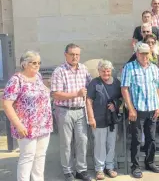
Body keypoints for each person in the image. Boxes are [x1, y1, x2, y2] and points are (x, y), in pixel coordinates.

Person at [2, 51, 53, 181]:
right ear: (24, 64)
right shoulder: (16, 80)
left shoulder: (39, 77)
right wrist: (18, 124)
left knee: (40, 156)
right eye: (33, 62)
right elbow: (7, 105)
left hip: (43, 125)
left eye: (39, 63)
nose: (37, 65)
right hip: (26, 126)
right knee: (27, 157)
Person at [121, 43, 159, 178]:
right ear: (137, 54)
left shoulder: (154, 68)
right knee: (137, 139)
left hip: (152, 109)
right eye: (142, 53)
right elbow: (124, 89)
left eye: (147, 53)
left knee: (151, 138)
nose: (145, 56)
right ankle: (135, 166)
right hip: (137, 110)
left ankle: (150, 162)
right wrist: (131, 109)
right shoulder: (129, 67)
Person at [51, 43, 92, 181]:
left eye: (77, 54)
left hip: (81, 110)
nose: (75, 57)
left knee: (82, 140)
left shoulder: (84, 69)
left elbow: (90, 88)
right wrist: (76, 94)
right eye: (72, 54)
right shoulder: (59, 71)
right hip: (64, 111)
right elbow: (56, 94)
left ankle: (81, 170)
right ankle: (68, 171)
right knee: (66, 142)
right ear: (65, 55)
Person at [86, 60, 121, 180]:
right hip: (98, 119)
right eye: (103, 71)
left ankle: (109, 167)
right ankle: (99, 169)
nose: (106, 73)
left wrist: (115, 105)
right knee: (100, 144)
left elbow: (122, 98)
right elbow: (89, 101)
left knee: (111, 144)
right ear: (99, 71)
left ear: (111, 71)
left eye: (108, 71)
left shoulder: (117, 83)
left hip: (111, 119)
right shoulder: (94, 83)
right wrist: (91, 118)